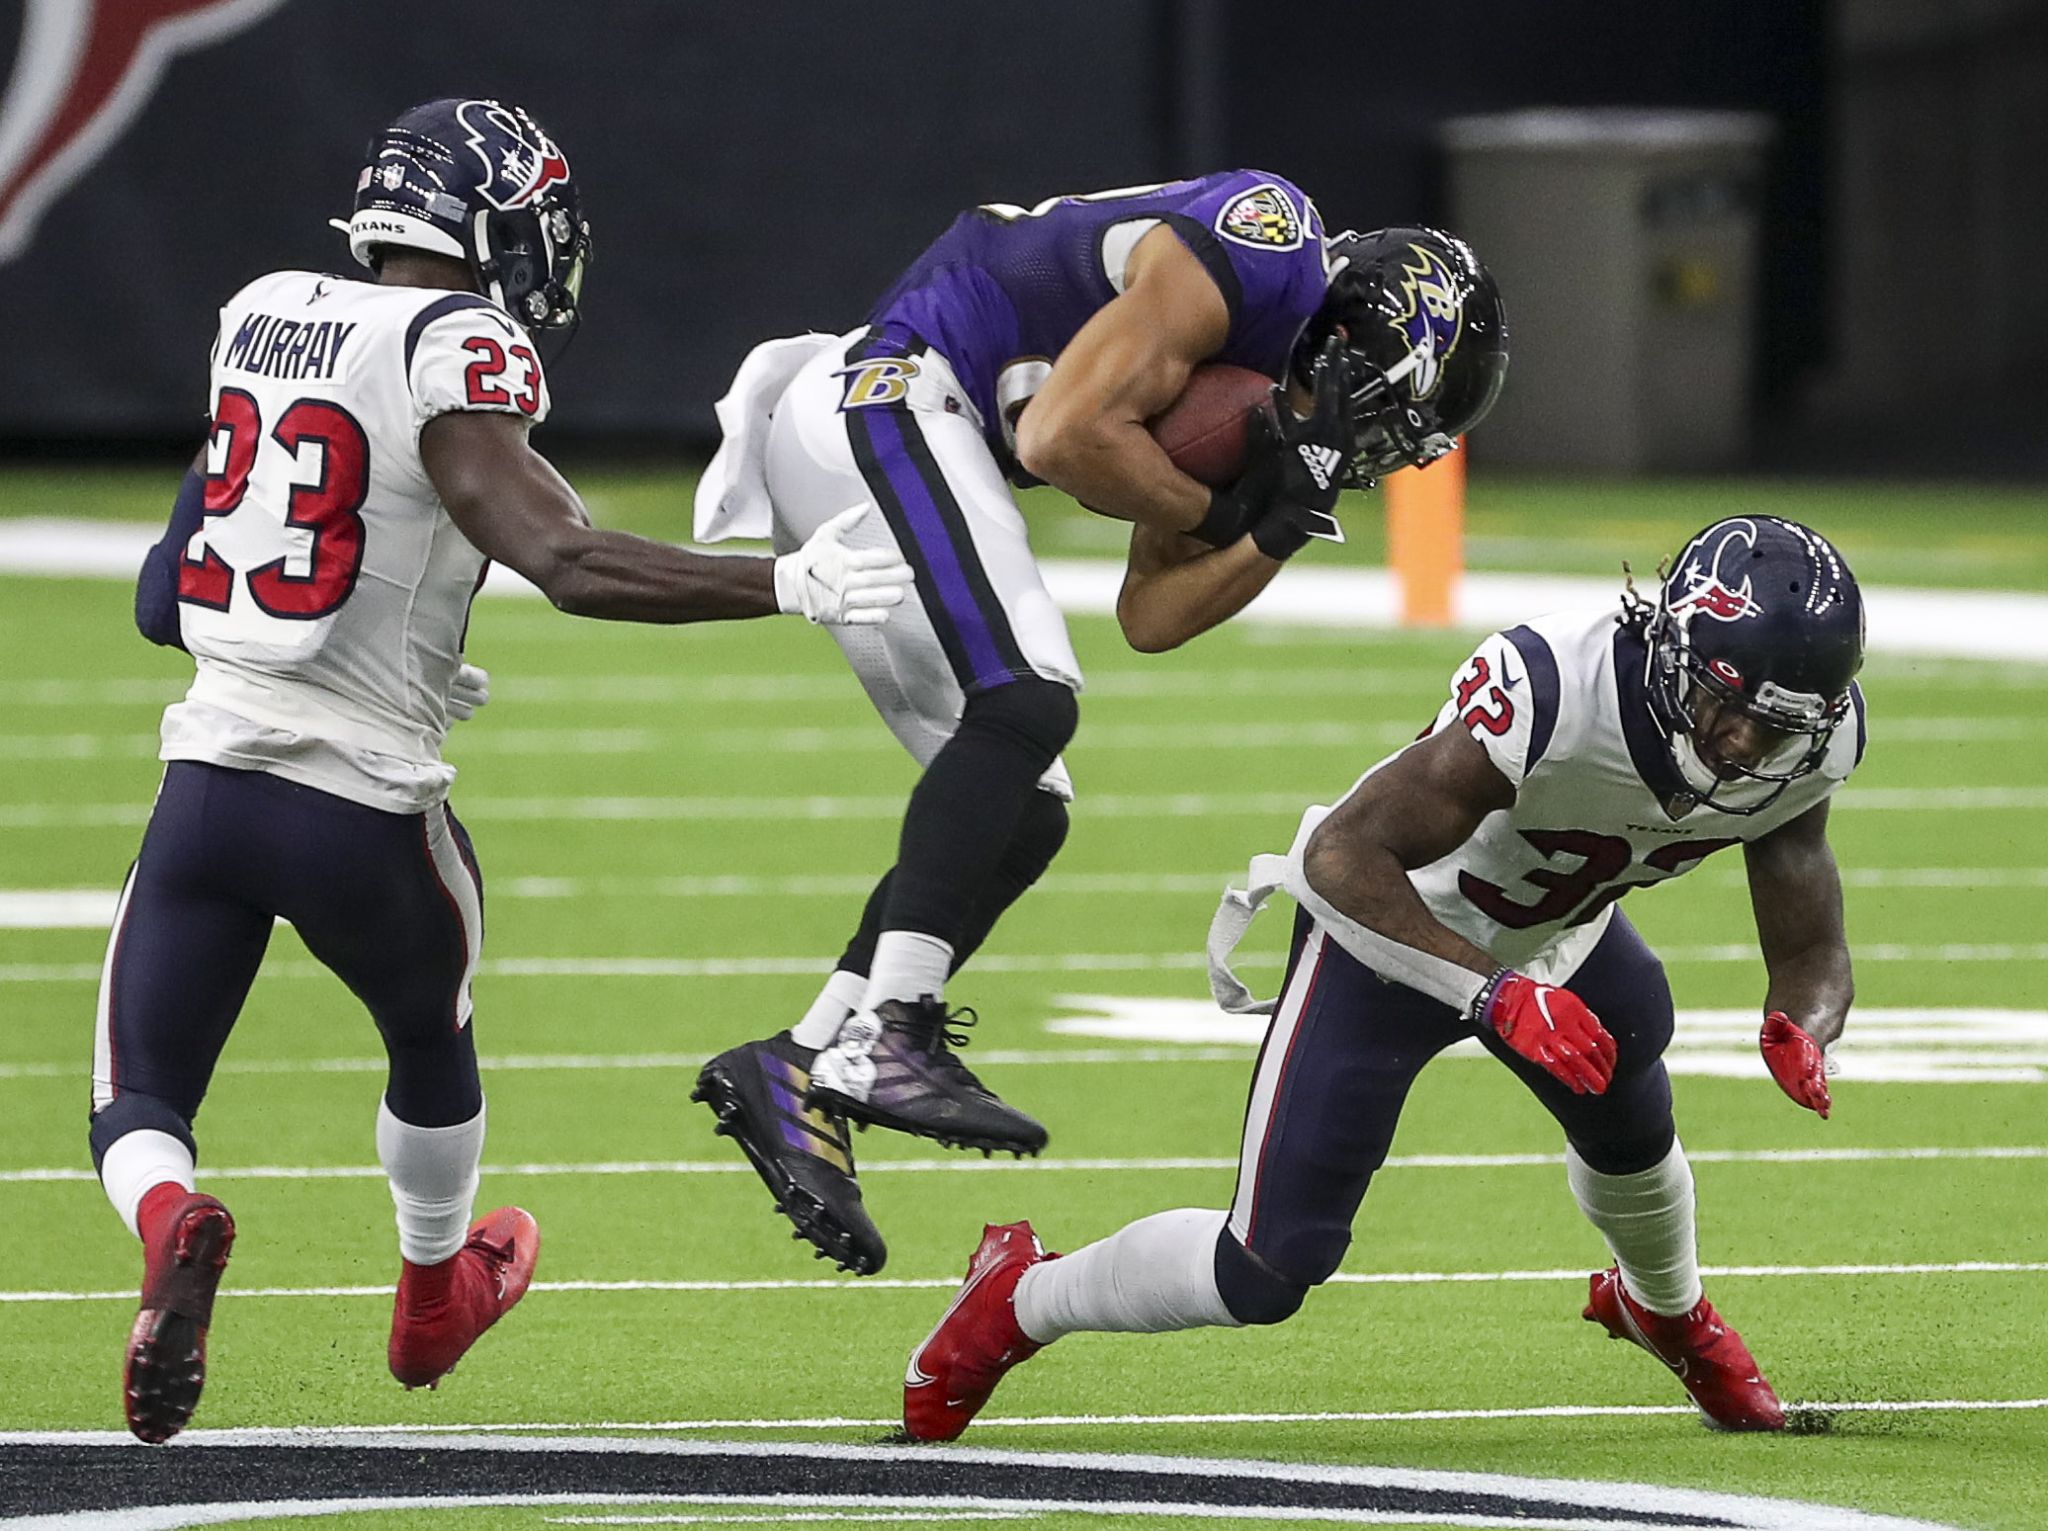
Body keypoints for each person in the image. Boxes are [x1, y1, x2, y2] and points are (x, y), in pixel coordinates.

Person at [97, 96, 910, 1446]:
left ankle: (171, 1217)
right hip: (364, 808)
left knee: (137, 1093)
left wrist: (362, 620)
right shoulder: (454, 341)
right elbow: (567, 559)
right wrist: (789, 582)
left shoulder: (264, 313)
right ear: (482, 222)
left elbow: (159, 595)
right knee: (431, 1030)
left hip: (207, 789)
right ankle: (431, 1290)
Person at [692, 174, 1509, 1276]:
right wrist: (1225, 507)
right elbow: (1060, 434)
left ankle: (797, 1059)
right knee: (1024, 699)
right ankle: (893, 1029)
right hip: (885, 393)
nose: (1378, 446)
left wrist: (1275, 524)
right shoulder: (1263, 244)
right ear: (1365, 340)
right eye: (1388, 414)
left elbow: (1150, 615)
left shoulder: (1260, 383)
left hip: (903, 427)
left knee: (1024, 809)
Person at [899, 515, 1866, 1440]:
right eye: (1726, 706)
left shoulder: (1807, 748)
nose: (1741, 746)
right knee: (1267, 1269)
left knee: (1630, 1090)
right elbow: (1342, 854)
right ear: (1672, 650)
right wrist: (1490, 991)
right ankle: (1020, 1295)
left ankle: (1666, 1309)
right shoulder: (1557, 690)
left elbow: (1807, 926)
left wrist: (1802, 1022)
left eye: (1772, 728)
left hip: (1555, 935)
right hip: (1395, 930)